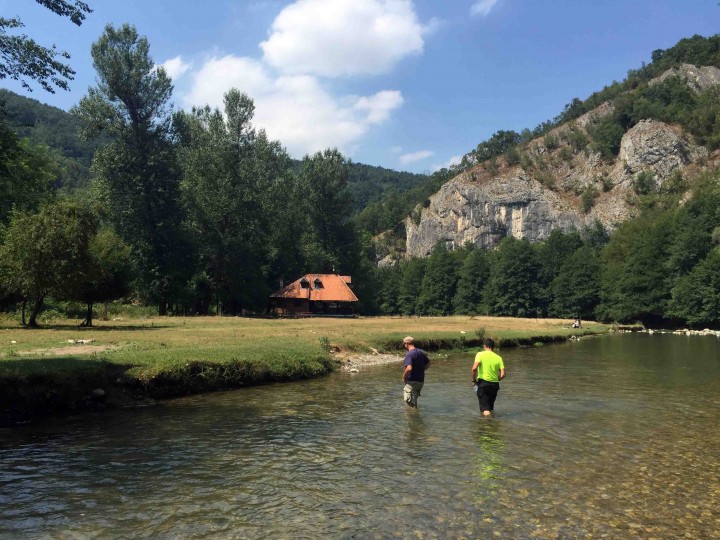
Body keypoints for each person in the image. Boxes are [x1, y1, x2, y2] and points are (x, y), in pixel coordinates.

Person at [471, 338, 506, 417]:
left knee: (485, 410)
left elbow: (474, 369)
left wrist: (473, 380)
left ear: (484, 346)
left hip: (483, 383)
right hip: (495, 385)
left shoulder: (480, 354)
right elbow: (503, 374)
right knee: (490, 408)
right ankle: (493, 426)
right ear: (493, 347)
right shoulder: (498, 358)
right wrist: (496, 379)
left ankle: (488, 426)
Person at [401, 336, 430, 409]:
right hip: (420, 381)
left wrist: (404, 377)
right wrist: (421, 370)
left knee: (410, 405)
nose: (404, 345)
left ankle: (413, 418)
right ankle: (414, 416)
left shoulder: (409, 354)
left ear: (407, 343)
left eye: (404, 344)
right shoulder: (421, 352)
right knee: (414, 400)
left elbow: (409, 368)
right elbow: (429, 363)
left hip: (411, 382)